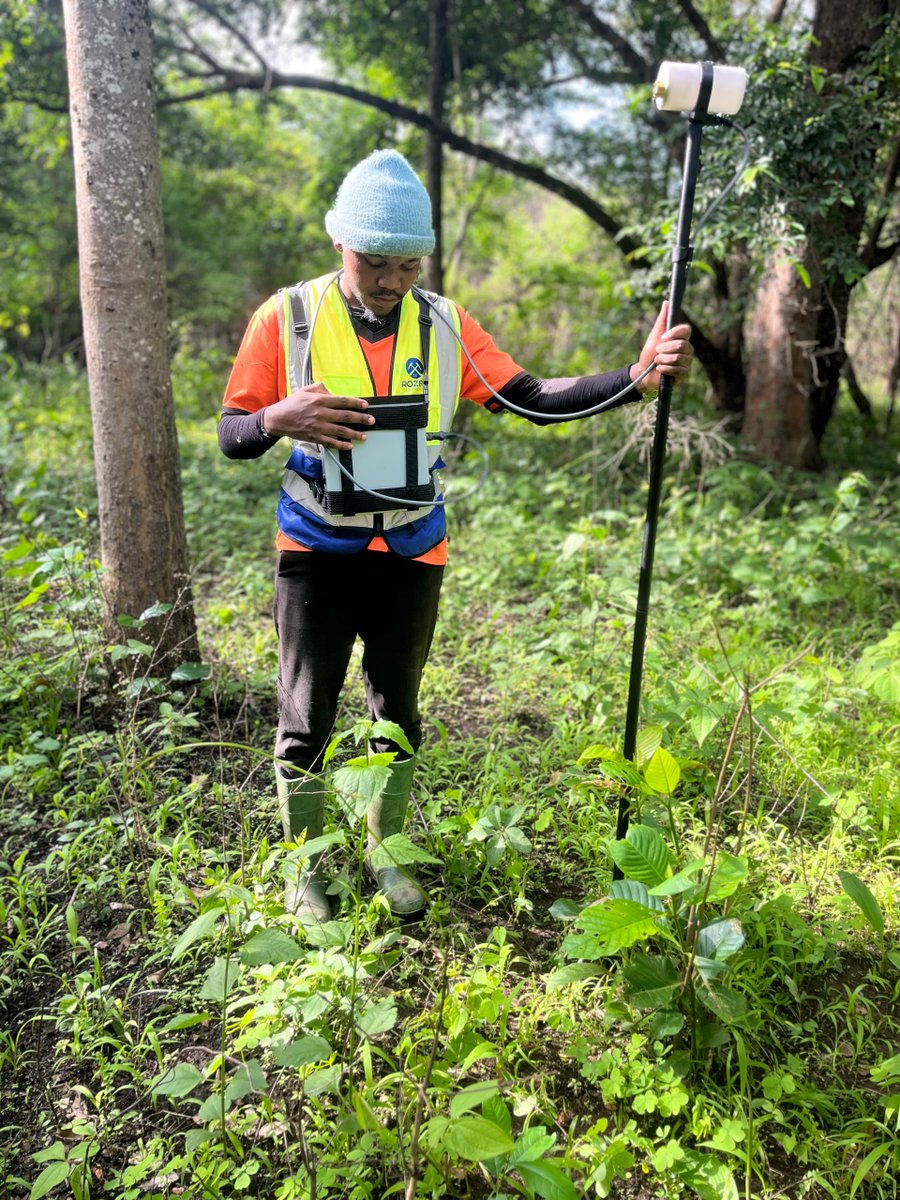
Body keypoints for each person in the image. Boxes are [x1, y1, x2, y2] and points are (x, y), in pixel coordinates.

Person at [218, 149, 693, 924]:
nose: (390, 282)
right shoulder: (288, 318)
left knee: (396, 709)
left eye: (407, 265)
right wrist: (280, 419)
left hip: (411, 547)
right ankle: (301, 873)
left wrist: (633, 377)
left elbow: (534, 398)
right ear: (340, 242)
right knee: (306, 715)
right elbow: (232, 434)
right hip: (315, 547)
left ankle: (384, 849)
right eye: (375, 262)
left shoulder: (445, 323)